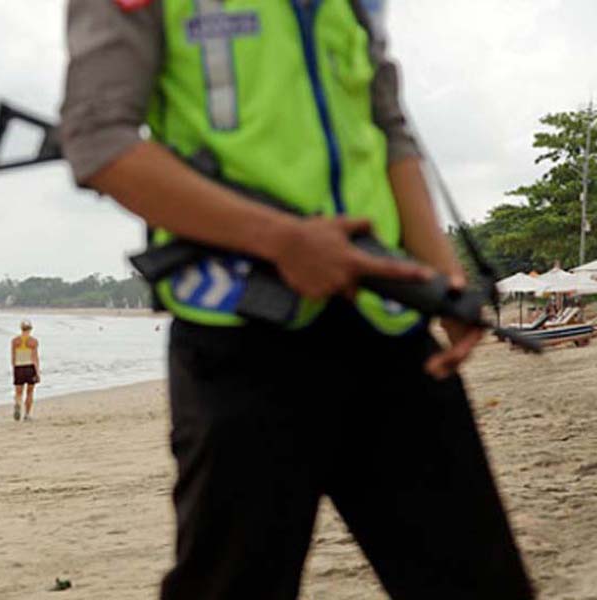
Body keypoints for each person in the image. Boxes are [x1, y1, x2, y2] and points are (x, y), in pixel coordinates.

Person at [60, 1, 533, 598]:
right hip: (237, 335)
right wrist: (281, 240)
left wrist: (441, 281)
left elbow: (388, 127)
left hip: (385, 324)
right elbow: (98, 138)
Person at [10, 319, 40, 421]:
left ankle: (18, 403)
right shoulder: (33, 341)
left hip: (19, 367)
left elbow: (13, 357)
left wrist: (14, 368)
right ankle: (27, 414)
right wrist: (37, 372)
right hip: (29, 366)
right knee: (30, 392)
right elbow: (35, 357)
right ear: (30, 329)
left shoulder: (15, 341)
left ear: (21, 328)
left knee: (18, 392)